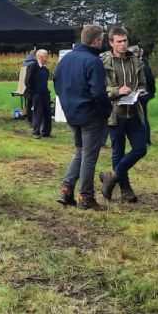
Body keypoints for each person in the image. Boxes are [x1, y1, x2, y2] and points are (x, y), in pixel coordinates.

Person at [53, 24, 111, 211]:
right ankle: (86, 197)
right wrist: (106, 111)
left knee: (79, 151)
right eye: (102, 39)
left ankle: (66, 189)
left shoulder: (66, 59)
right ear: (96, 41)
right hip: (91, 115)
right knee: (89, 157)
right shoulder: (93, 61)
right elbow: (99, 92)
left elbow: (57, 84)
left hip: (72, 113)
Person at [98, 28, 149, 203]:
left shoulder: (135, 60)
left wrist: (140, 92)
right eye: (119, 41)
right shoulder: (103, 62)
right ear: (111, 43)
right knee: (118, 151)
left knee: (140, 149)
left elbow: (143, 84)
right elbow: (99, 88)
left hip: (134, 112)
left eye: (125, 40)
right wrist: (117, 91)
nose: (123, 44)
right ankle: (125, 189)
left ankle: (112, 176)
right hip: (115, 114)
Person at [25, 50, 53, 139]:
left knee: (48, 112)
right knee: (38, 112)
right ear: (40, 57)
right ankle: (36, 132)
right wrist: (33, 93)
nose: (47, 58)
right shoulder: (32, 67)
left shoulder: (45, 69)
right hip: (37, 93)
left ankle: (46, 132)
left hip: (45, 93)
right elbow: (28, 81)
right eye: (46, 56)